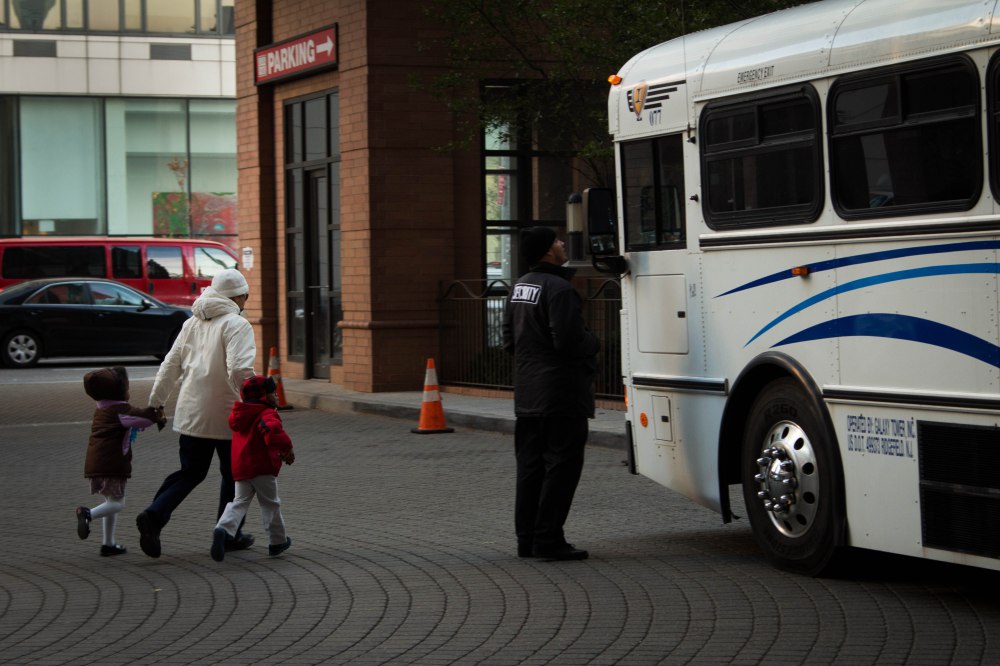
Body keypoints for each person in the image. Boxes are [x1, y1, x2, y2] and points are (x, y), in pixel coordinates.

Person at [136, 268, 257, 558]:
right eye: (246, 296)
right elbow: (240, 369)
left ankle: (154, 514)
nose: (247, 301)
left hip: (191, 414)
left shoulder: (192, 323)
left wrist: (156, 403)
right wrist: (257, 402)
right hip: (229, 416)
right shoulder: (237, 324)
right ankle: (229, 533)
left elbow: (170, 366)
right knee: (235, 477)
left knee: (190, 472)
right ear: (238, 295)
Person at [502, 226, 600, 561]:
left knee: (530, 467)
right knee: (562, 465)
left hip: (528, 394)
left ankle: (526, 539)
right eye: (557, 241)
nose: (562, 244)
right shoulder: (559, 288)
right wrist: (594, 342)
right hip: (561, 393)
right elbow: (569, 340)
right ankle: (549, 539)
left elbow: (508, 341)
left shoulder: (519, 287)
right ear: (547, 251)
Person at [77, 367, 166, 556]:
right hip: (112, 464)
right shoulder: (120, 410)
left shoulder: (102, 408)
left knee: (110, 502)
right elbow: (144, 419)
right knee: (118, 503)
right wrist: (157, 414)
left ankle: (108, 544)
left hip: (97, 463)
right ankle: (87, 514)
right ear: (118, 391)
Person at [211, 375, 295, 562]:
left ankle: (222, 529)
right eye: (273, 392)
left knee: (239, 502)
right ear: (264, 396)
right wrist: (286, 448)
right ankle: (277, 541)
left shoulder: (240, 413)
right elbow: (271, 431)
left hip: (241, 468)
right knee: (270, 504)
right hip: (262, 467)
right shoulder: (266, 413)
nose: (277, 396)